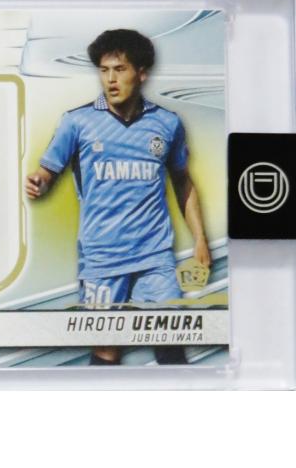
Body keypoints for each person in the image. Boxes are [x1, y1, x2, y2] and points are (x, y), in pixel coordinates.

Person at [25, 29, 211, 365]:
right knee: (107, 350)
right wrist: (40, 182)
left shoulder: (167, 124)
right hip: (102, 260)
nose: (110, 79)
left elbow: (183, 181)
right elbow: (47, 171)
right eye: (104, 70)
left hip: (155, 257)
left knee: (171, 342)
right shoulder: (77, 122)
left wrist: (199, 239)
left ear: (141, 74)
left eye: (120, 69)